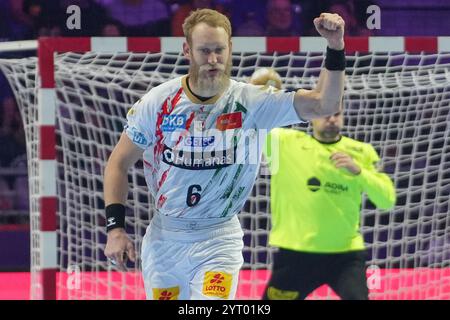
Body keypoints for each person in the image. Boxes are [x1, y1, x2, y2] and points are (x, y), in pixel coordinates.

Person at [104, 8, 346, 300]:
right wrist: (115, 229)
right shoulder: (158, 103)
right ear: (187, 50)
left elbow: (324, 104)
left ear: (230, 48)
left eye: (219, 50)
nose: (213, 60)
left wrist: (335, 47)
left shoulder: (251, 102)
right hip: (165, 239)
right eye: (204, 51)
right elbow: (118, 163)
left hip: (218, 238)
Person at [251, 69, 396, 300]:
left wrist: (359, 172)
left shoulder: (361, 151)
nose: (331, 118)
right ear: (312, 114)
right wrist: (263, 95)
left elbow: (387, 200)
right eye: (327, 113)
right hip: (296, 254)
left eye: (337, 113)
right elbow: (255, 124)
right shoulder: (284, 142)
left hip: (345, 255)